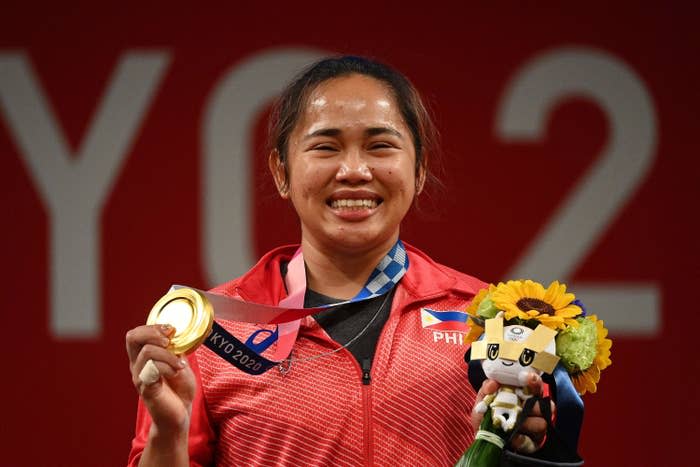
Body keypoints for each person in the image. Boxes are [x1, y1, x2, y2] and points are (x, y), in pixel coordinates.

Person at [126, 56, 552, 466]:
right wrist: (169, 431)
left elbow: (540, 452)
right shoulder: (216, 331)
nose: (353, 169)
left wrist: (522, 452)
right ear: (281, 172)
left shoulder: (487, 316)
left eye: (380, 146)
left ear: (419, 169)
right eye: (326, 147)